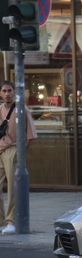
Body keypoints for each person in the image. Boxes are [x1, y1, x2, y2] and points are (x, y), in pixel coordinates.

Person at [0, 81, 37, 235]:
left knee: (13, 188)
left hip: (13, 149)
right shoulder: (0, 109)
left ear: (14, 92)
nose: (7, 94)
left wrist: (20, 153)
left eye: (10, 91)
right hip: (1, 149)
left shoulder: (21, 110)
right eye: (4, 91)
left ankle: (12, 221)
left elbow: (31, 135)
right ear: (0, 94)